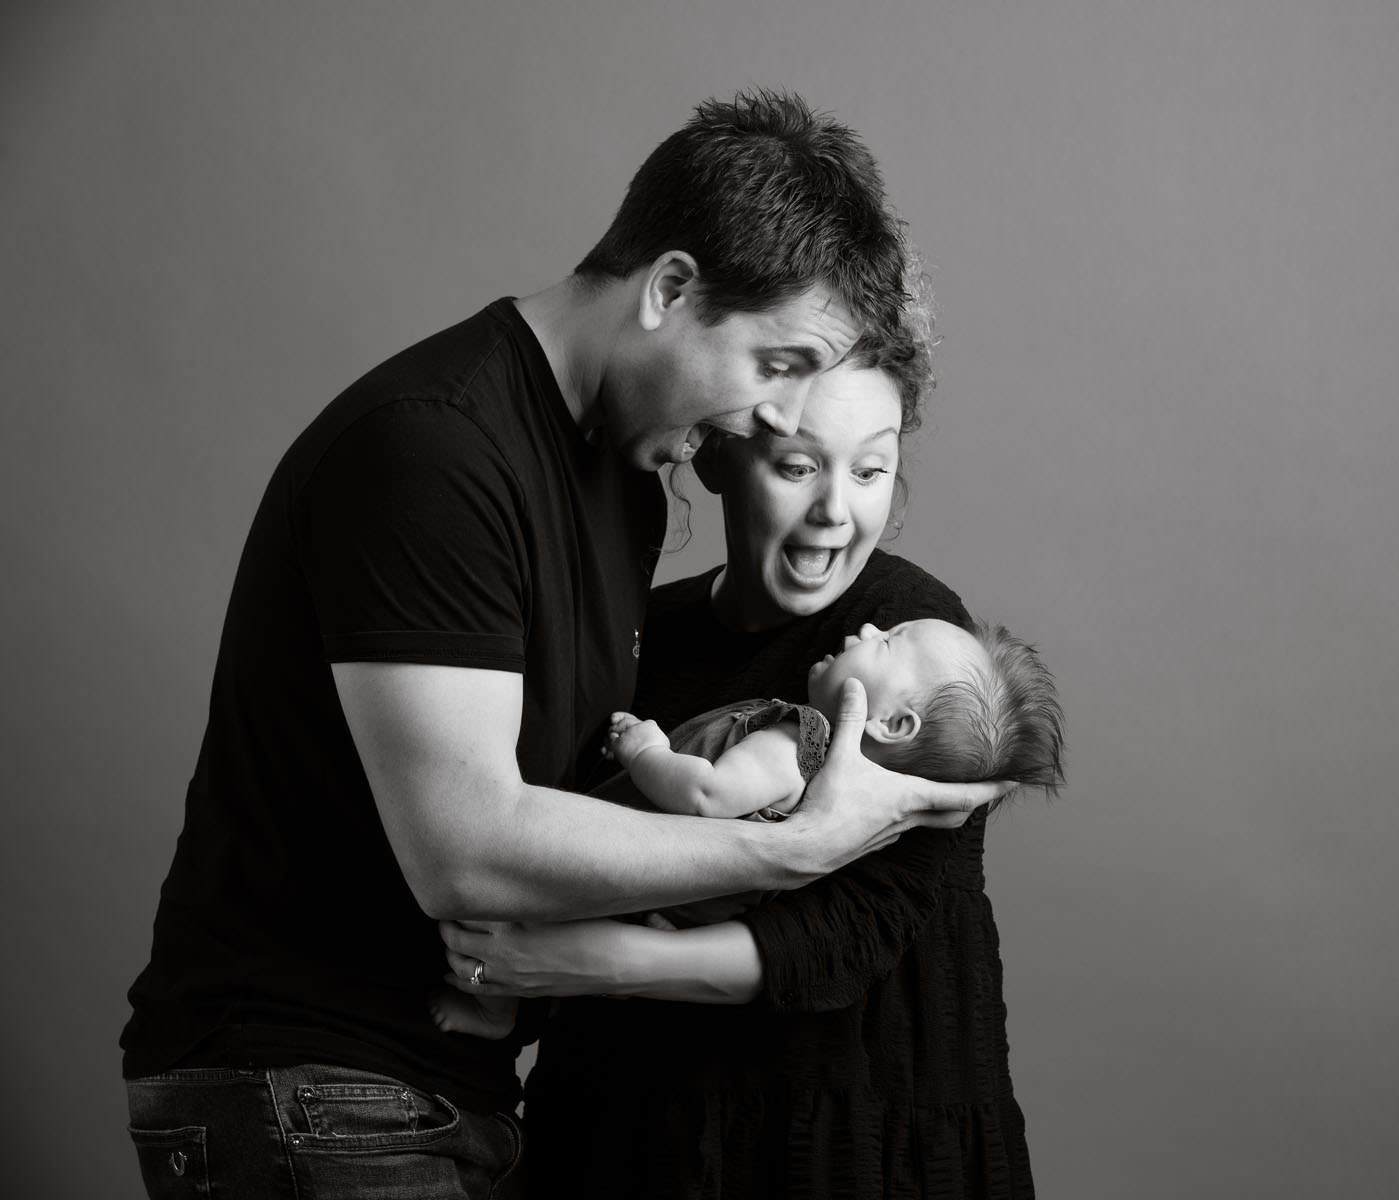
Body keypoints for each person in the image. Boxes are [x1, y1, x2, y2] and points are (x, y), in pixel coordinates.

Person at [119, 90, 1003, 1200]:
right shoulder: (435, 452)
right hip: (318, 1085)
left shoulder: (621, 482)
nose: (773, 420)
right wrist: (796, 844)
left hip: (446, 1092)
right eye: (776, 367)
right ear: (671, 288)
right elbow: (468, 847)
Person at [438, 329, 1062, 1197]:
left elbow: (844, 937)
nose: (836, 511)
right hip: (628, 1121)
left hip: (846, 1129)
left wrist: (584, 962)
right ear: (719, 456)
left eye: (872, 470)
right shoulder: (640, 635)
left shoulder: (919, 640)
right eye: (799, 466)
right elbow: (562, 837)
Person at [432, 615, 1063, 1039]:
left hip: (641, 861)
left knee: (505, 908)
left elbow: (706, 797)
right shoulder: (840, 790)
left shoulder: (797, 744)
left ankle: (493, 1010)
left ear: (891, 725)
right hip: (664, 902)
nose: (868, 627)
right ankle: (497, 1007)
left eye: (890, 641)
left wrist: (643, 751)